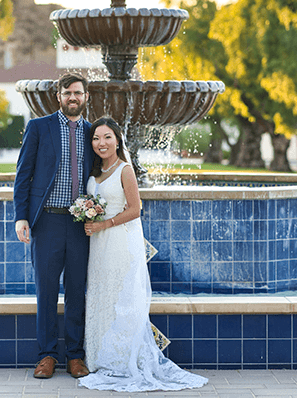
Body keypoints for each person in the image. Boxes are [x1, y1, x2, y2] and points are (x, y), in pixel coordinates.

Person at [79, 117, 208, 392]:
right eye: (96, 138)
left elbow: (136, 209)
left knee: (121, 297)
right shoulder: (93, 171)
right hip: (98, 246)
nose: (101, 143)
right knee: (102, 295)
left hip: (119, 242)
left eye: (107, 137)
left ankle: (123, 359)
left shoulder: (125, 170)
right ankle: (100, 357)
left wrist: (104, 223)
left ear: (117, 140)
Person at [13, 72, 94, 380]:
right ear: (58, 96)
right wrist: (22, 216)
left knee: (76, 291)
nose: (73, 97)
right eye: (67, 93)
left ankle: (75, 356)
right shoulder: (39, 127)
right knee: (45, 291)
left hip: (79, 225)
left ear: (86, 97)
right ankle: (46, 355)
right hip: (46, 221)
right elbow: (23, 175)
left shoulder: (92, 132)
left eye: (78, 93)